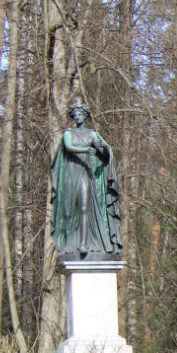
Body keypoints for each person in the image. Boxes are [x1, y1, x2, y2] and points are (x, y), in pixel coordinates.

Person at [51, 102, 122, 262]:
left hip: (85, 173)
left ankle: (84, 243)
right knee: (70, 210)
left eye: (80, 113)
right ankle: (71, 243)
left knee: (84, 206)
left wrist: (104, 148)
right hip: (71, 174)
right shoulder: (68, 134)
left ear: (85, 115)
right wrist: (85, 149)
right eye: (74, 114)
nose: (77, 116)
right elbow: (69, 147)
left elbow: (102, 151)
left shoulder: (92, 135)